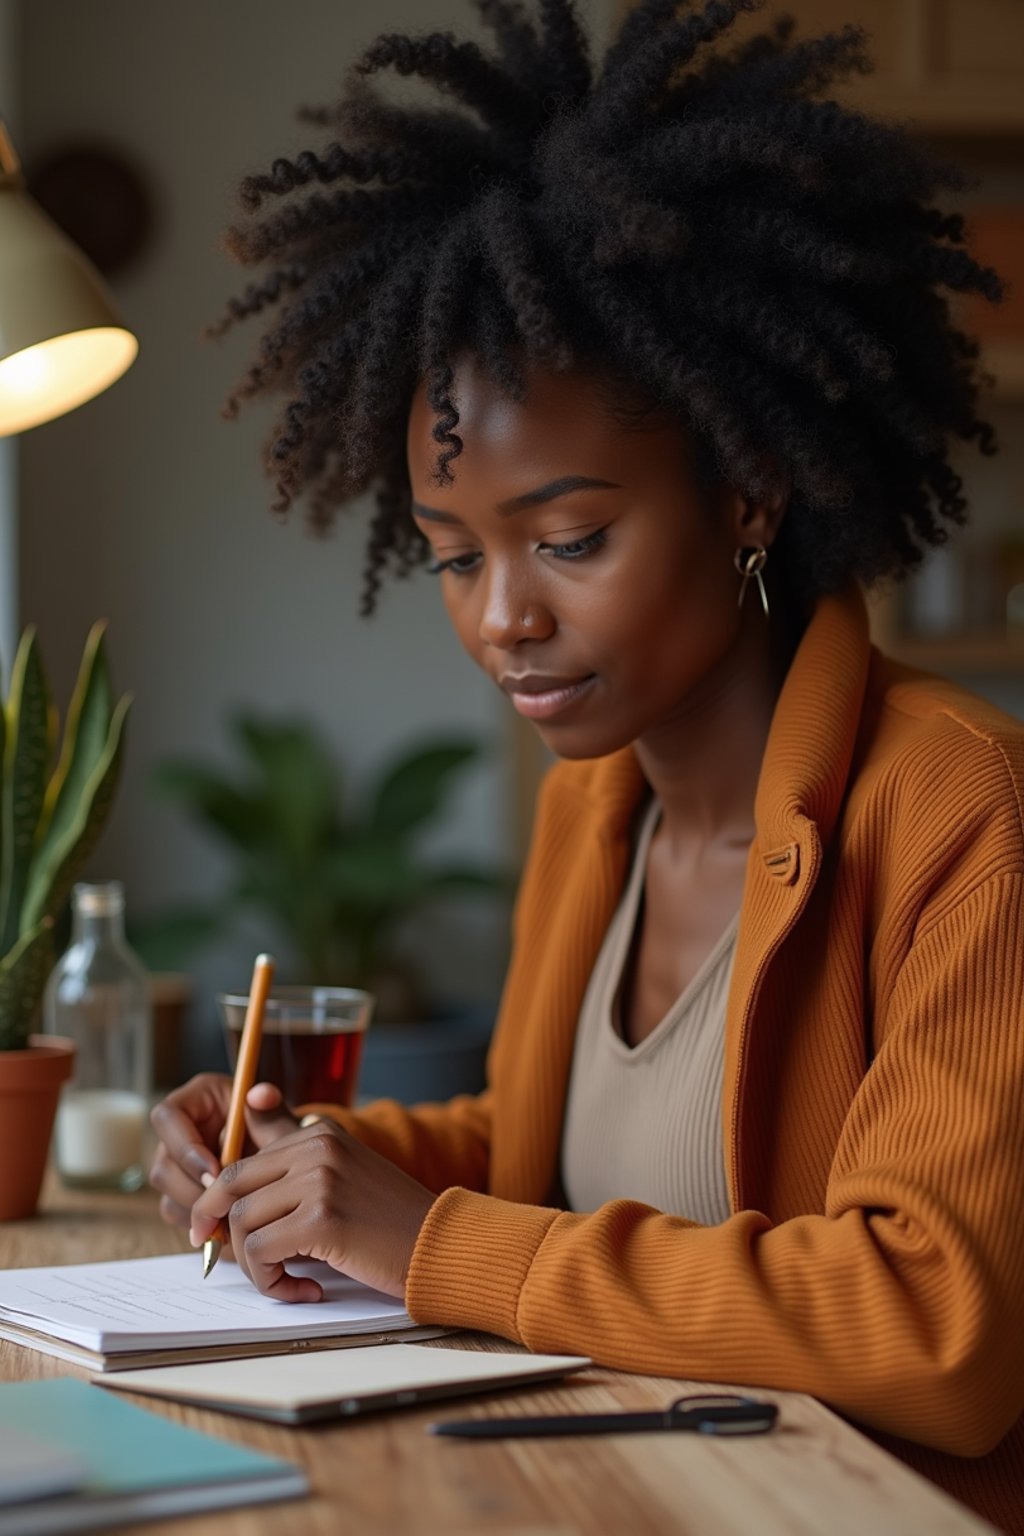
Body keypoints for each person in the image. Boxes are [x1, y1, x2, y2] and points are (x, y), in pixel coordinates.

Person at [149, 2, 1024, 1528]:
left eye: (569, 539)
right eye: (449, 558)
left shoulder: (965, 816)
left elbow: (935, 1324)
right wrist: (305, 1164)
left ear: (749, 491)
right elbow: (542, 1154)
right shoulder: (593, 808)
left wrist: (431, 1243)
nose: (504, 620)